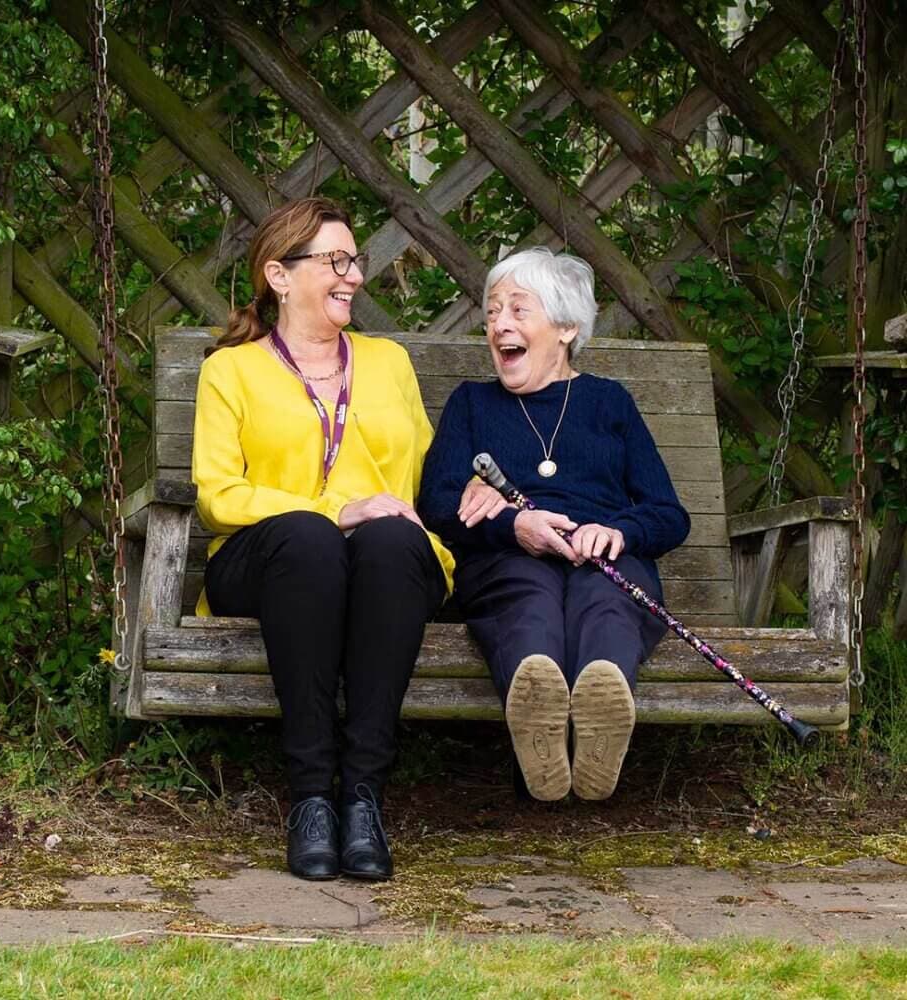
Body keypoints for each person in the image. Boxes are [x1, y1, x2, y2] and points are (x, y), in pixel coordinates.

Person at [192, 198, 453, 881]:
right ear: (279, 275)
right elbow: (218, 496)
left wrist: (479, 493)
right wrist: (333, 511)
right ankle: (311, 798)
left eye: (354, 260)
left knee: (392, 542)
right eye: (335, 260)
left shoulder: (389, 360)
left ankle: (363, 798)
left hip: (381, 565)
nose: (354, 276)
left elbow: (431, 470)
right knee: (310, 539)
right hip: (271, 561)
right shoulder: (232, 370)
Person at [417, 247, 689, 802]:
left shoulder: (608, 402)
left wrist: (618, 533)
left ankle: (599, 717)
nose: (499, 325)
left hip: (604, 558)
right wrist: (512, 526)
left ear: (565, 327)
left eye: (518, 309)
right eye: (492, 312)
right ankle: (537, 722)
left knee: (605, 599)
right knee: (527, 597)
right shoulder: (471, 404)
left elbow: (667, 512)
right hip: (506, 557)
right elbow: (437, 503)